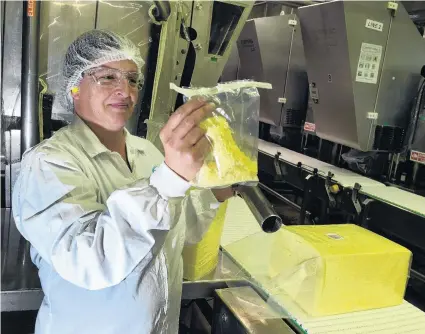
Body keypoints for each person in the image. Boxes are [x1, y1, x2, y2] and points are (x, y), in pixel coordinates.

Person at [12, 30, 234, 334]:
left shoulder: (148, 152)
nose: (125, 91)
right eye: (107, 78)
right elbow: (88, 260)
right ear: (74, 87)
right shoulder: (49, 162)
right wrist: (170, 180)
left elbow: (179, 231)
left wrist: (215, 192)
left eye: (132, 79)